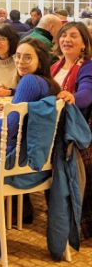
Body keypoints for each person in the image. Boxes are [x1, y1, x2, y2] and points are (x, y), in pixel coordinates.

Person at [0, 38, 61, 175]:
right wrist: (12, 92)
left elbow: (9, 127)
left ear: (40, 61)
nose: (20, 62)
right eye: (18, 56)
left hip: (11, 159)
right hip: (36, 158)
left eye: (27, 58)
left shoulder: (29, 80)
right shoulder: (48, 83)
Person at [50, 22, 92, 238]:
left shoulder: (87, 66)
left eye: (73, 36)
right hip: (54, 126)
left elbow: (87, 94)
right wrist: (10, 90)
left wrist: (72, 97)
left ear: (84, 43)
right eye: (64, 35)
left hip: (74, 132)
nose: (67, 39)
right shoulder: (55, 66)